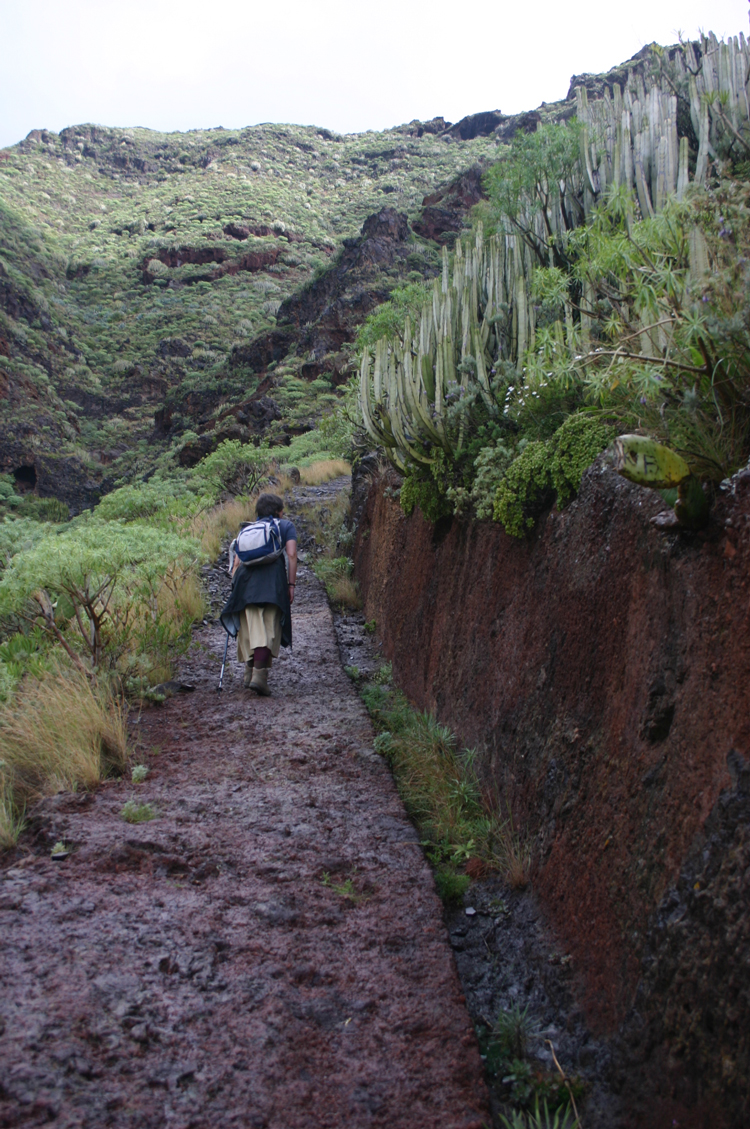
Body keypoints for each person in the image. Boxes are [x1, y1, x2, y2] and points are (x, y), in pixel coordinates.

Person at [220, 493, 297, 696]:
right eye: (282, 510)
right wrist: (291, 585)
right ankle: (259, 677)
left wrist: (235, 588)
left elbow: (236, 562)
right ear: (277, 512)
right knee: (267, 628)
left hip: (245, 584)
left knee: (249, 628)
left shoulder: (248, 529)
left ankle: (248, 674)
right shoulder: (285, 526)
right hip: (271, 583)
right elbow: (291, 555)